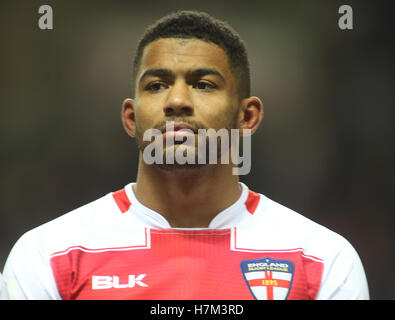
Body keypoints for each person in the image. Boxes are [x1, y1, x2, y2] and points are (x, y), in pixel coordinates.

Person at [1, 10, 368, 300]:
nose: (176, 101)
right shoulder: (49, 255)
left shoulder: (320, 259)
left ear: (247, 116)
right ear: (131, 117)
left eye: (203, 85)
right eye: (157, 85)